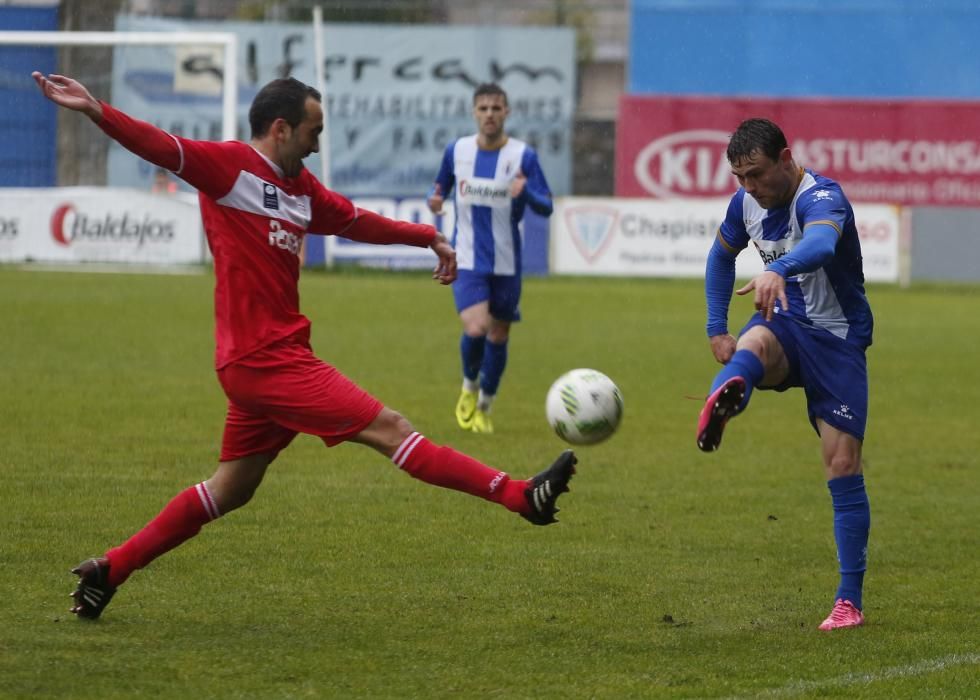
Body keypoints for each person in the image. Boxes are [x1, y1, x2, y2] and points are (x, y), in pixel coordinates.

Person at [32, 71, 577, 620]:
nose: (318, 144)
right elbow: (157, 143)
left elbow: (351, 218)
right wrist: (94, 108)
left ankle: (110, 570)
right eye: (313, 132)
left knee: (229, 489)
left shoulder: (300, 188)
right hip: (265, 360)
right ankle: (518, 495)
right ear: (280, 128)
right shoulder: (227, 167)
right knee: (392, 428)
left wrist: (423, 237)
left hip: (269, 360)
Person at [697, 118, 873, 631]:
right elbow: (720, 256)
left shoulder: (823, 197)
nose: (748, 187)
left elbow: (819, 245)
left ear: (786, 158)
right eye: (739, 178)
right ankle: (722, 401)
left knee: (841, 464)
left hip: (838, 339)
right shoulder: (745, 203)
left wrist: (778, 268)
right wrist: (715, 327)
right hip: (787, 323)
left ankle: (849, 601)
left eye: (755, 174)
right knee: (754, 342)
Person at [427, 83, 553, 434]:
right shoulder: (457, 151)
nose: (489, 115)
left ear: (506, 113)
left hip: (506, 263)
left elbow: (547, 205)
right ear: (474, 112)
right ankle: (469, 387)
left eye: (496, 108)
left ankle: (485, 405)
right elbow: (438, 188)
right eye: (483, 108)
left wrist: (526, 192)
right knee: (476, 327)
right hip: (465, 258)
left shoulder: (523, 156)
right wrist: (434, 200)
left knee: (498, 335)